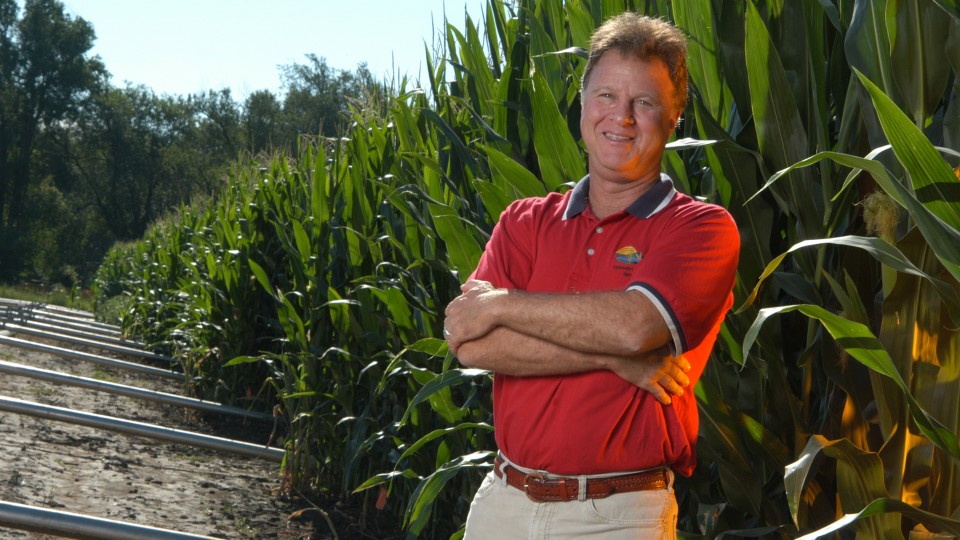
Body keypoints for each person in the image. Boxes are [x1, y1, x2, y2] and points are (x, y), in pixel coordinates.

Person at [442, 12, 740, 540]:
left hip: (617, 515)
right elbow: (471, 344)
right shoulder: (525, 221)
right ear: (581, 105)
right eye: (606, 96)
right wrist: (610, 358)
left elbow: (634, 328)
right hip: (503, 504)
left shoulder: (700, 229)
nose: (621, 117)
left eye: (644, 103)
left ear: (673, 118)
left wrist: (502, 304)